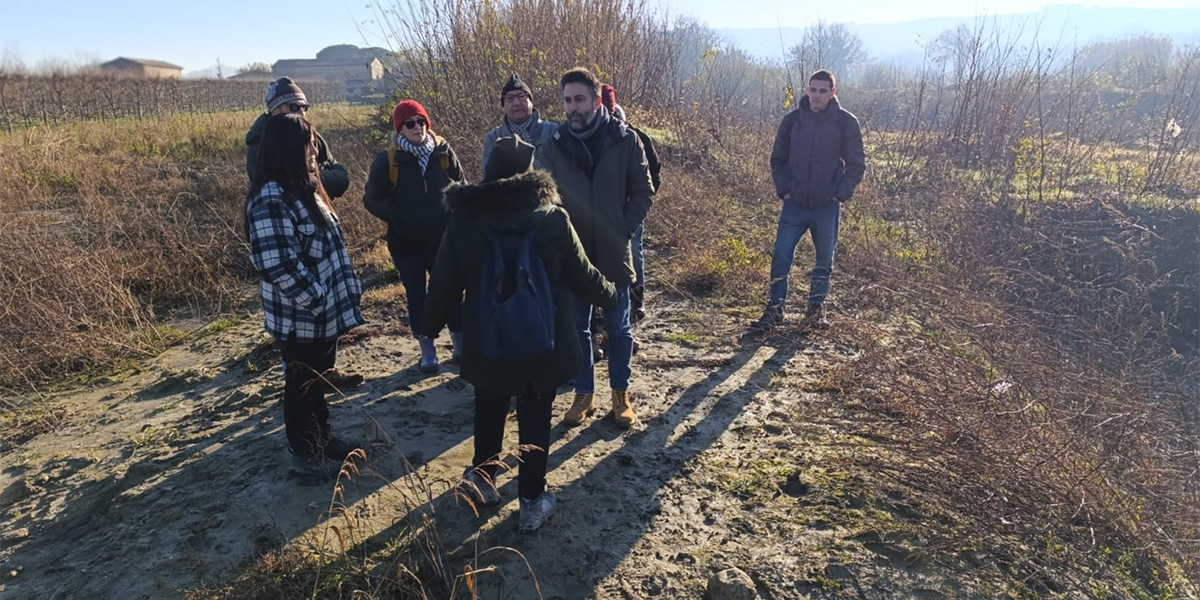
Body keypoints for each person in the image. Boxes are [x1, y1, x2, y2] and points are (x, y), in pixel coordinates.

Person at [423, 135, 616, 533]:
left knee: (489, 407)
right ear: (530, 174)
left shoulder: (464, 219)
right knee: (535, 418)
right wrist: (613, 295)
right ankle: (531, 501)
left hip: (487, 338)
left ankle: (482, 479)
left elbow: (443, 282)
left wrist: (427, 326)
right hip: (542, 341)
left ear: (489, 174)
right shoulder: (551, 218)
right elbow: (585, 277)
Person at [244, 113, 365, 477]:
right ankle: (306, 455)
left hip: (321, 315)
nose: (315, 150)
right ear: (290, 149)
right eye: (309, 143)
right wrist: (318, 300)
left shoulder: (301, 186)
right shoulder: (270, 198)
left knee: (318, 380)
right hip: (302, 316)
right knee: (300, 385)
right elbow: (277, 263)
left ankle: (323, 438)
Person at [540, 67, 654, 429]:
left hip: (612, 253)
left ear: (596, 99)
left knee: (619, 329)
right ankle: (583, 395)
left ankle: (620, 395)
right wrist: (558, 237)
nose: (573, 107)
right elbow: (540, 195)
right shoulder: (554, 144)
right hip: (573, 256)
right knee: (577, 328)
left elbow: (643, 190)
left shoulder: (625, 139)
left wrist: (621, 229)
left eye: (579, 99)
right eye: (567, 100)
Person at [245, 76, 363, 389]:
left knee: (318, 358)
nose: (301, 110)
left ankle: (324, 379)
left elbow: (339, 177)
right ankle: (307, 408)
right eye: (293, 105)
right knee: (301, 377)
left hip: (316, 268)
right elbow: (278, 260)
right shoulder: (265, 150)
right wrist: (318, 298)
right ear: (274, 109)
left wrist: (315, 178)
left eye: (304, 105)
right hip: (302, 303)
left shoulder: (308, 136)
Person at [754, 69, 866, 329]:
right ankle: (774, 309)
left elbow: (856, 164)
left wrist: (840, 193)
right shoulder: (792, 121)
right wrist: (784, 191)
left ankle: (815, 313)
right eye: (812, 89)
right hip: (794, 205)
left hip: (826, 206)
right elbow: (777, 160)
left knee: (823, 262)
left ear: (832, 93)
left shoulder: (845, 122)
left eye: (822, 91)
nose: (816, 95)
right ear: (807, 90)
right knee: (781, 256)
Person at [362, 100, 466, 373]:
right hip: (406, 244)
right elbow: (372, 200)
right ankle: (427, 350)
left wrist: (458, 215)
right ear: (400, 129)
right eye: (410, 123)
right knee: (417, 296)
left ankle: (460, 345)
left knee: (452, 293)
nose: (417, 127)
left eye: (421, 121)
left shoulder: (444, 153)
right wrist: (400, 218)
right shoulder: (388, 160)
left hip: (444, 241)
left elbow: (462, 186)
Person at [600, 83, 661, 324]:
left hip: (629, 212)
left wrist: (638, 205)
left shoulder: (636, 138)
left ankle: (637, 301)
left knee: (634, 253)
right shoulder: (582, 136)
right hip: (600, 212)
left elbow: (654, 174)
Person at [482, 73, 557, 176]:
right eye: (510, 98)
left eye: (521, 96)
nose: (516, 103)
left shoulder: (551, 131)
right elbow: (488, 175)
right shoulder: (494, 138)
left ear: (531, 101)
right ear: (503, 106)